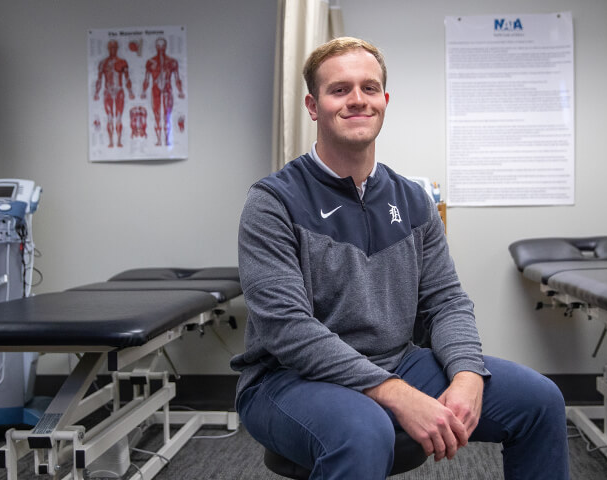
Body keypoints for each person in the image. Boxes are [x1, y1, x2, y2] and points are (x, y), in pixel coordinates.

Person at [230, 37, 570, 479]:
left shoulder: (413, 199)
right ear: (313, 106)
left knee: (541, 401)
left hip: (397, 360)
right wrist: (393, 392)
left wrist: (467, 373)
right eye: (340, 90)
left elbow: (446, 301)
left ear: (384, 101)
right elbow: (287, 330)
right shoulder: (273, 202)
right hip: (287, 378)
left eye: (369, 89)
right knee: (364, 430)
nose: (357, 100)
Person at [93, 39, 134, 148]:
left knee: (119, 117)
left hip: (119, 90)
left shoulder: (122, 62)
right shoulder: (103, 63)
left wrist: (130, 92)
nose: (113, 49)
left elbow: (127, 78)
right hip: (108, 92)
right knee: (110, 117)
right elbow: (99, 80)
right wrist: (96, 93)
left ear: (117, 48)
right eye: (111, 47)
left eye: (115, 47)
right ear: (108, 48)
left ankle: (119, 141)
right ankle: (111, 141)